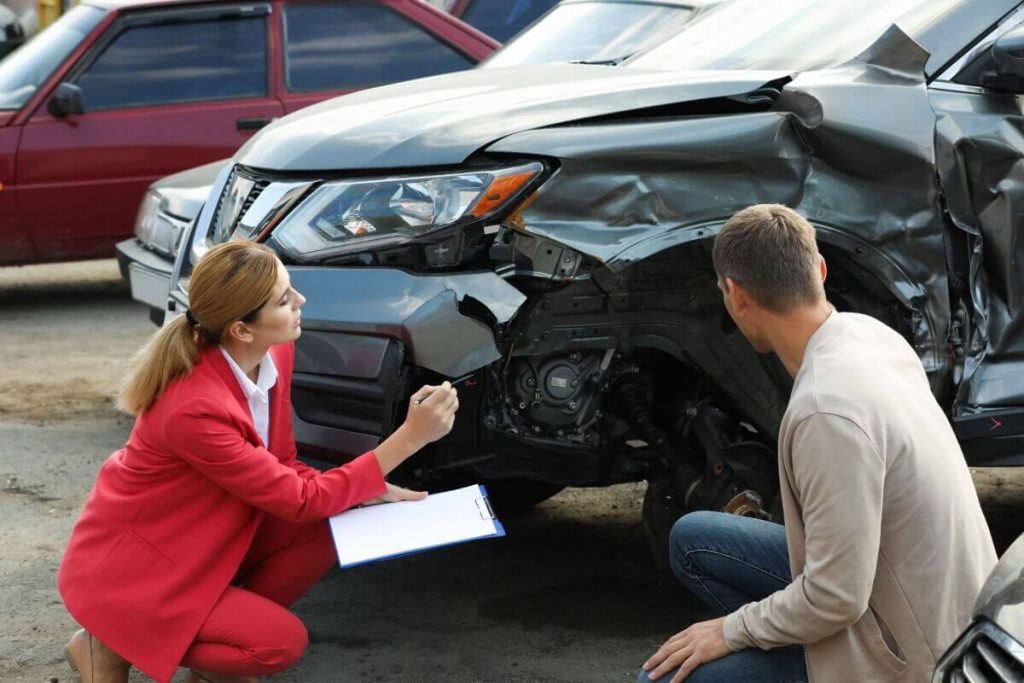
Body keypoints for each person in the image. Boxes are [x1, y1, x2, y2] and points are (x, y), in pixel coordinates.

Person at [57, 241, 459, 683]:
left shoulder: (273, 352)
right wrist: (409, 438)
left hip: (199, 537)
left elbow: (284, 464)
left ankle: (210, 664)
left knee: (330, 523)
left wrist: (363, 489)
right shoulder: (193, 408)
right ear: (241, 330)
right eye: (285, 300)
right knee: (277, 644)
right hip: (136, 572)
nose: (301, 301)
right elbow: (300, 499)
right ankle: (109, 642)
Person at [639, 204, 997, 683]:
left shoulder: (826, 411)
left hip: (920, 660)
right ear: (820, 269)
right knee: (692, 538)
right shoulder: (871, 336)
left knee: (659, 680)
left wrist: (730, 630)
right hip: (946, 611)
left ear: (737, 297)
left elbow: (836, 598)